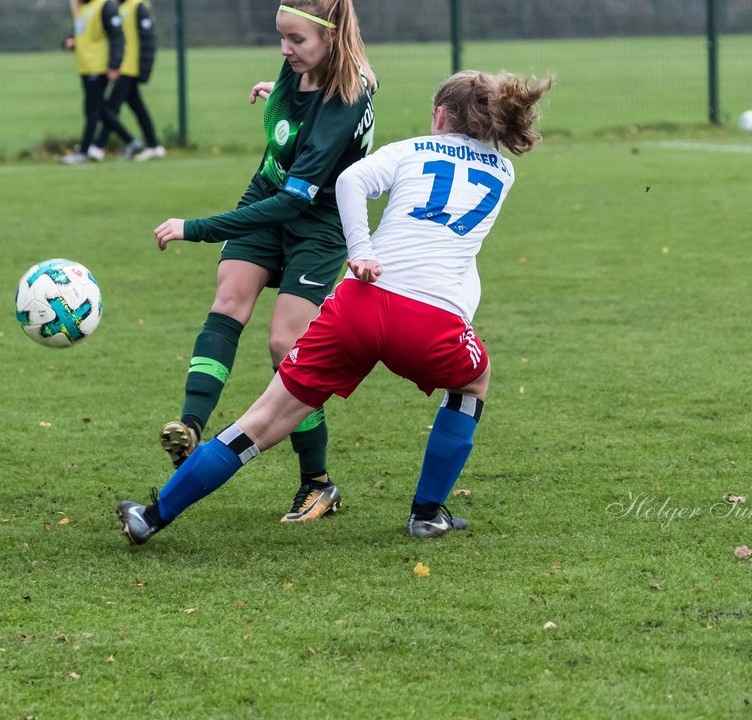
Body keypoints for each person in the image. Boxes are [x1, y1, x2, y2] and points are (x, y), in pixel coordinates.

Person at [116, 69, 552, 544]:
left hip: (359, 304)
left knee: (261, 422)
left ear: (440, 115)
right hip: (430, 324)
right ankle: (428, 513)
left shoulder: (408, 150)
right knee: (473, 382)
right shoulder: (503, 172)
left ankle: (154, 515)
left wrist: (361, 249)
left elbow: (349, 180)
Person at [150, 0, 377, 522]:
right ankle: (190, 428)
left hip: (315, 221)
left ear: (331, 36)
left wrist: (198, 227)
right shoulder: (302, 66)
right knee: (230, 300)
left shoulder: (347, 96)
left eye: (296, 40)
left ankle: (318, 483)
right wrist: (272, 93)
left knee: (286, 346)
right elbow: (291, 121)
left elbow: (298, 197)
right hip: (267, 197)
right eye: (281, 37)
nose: (285, 49)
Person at [96, 0, 167, 162]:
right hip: (123, 65)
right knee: (136, 107)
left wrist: (144, 68)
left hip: (130, 67)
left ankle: (99, 146)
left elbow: (147, 40)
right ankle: (154, 145)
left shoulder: (138, 3)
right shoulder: (118, 4)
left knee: (111, 106)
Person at [61, 0, 125, 165]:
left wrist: (114, 64)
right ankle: (131, 141)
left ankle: (85, 151)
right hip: (86, 65)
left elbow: (117, 36)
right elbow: (83, 32)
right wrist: (70, 41)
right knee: (97, 110)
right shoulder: (84, 4)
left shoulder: (105, 2)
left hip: (99, 65)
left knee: (93, 111)